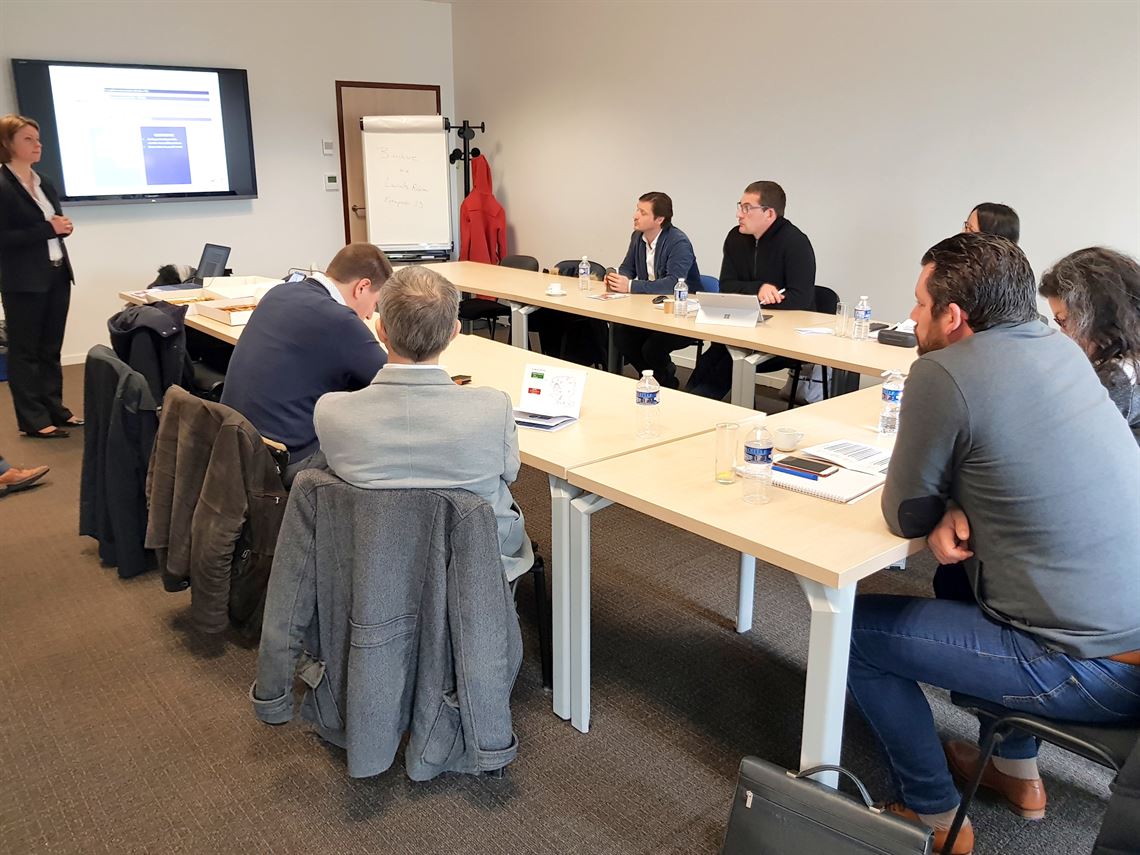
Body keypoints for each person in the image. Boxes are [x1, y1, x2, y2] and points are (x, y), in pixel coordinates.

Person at [846, 233, 1140, 855]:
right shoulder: (1063, 352)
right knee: (974, 583)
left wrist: (940, 505)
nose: (912, 317)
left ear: (953, 316)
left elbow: (903, 513)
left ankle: (933, 817)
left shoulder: (941, 371)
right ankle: (1015, 772)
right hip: (1125, 640)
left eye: (920, 304)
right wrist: (959, 501)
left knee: (851, 633)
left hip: (1086, 666)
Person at [314, 265, 534, 581]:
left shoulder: (332, 412)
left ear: (380, 329)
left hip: (372, 563)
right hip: (474, 560)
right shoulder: (493, 409)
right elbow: (510, 474)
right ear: (454, 331)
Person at [220, 243, 391, 486]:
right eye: (375, 303)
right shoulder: (340, 320)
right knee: (381, 443)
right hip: (281, 460)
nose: (370, 315)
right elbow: (395, 381)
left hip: (234, 443)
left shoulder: (280, 292)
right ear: (362, 287)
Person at [685, 181, 816, 400]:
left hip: (782, 336)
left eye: (747, 208)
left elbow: (801, 298)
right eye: (740, 206)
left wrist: (759, 299)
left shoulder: (796, 242)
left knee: (728, 361)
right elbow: (726, 285)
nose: (739, 214)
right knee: (712, 358)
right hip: (741, 328)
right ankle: (686, 405)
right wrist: (758, 290)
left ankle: (694, 410)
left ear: (769, 213)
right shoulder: (736, 238)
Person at [0, 114, 80, 439]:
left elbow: (53, 224)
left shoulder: (43, 181)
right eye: (28, 139)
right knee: (25, 351)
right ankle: (34, 419)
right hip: (23, 280)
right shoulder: (2, 185)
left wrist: (62, 228)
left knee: (50, 348)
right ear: (7, 143)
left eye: (38, 138)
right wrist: (48, 229)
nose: (38, 145)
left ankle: (55, 409)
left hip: (57, 274)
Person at [1039, 247, 1140, 444]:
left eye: (1063, 321)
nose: (1062, 333)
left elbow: (1062, 436)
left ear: (1096, 317)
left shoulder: (1116, 381)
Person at [605, 192, 701, 389]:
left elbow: (673, 284)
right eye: (637, 210)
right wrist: (617, 277)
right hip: (650, 310)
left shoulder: (678, 242)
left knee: (652, 347)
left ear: (659, 219)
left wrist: (630, 286)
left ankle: (665, 378)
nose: (635, 216)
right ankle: (656, 377)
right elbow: (628, 268)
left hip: (682, 315)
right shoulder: (637, 237)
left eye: (643, 213)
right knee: (621, 335)